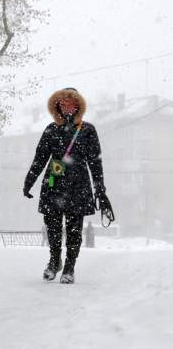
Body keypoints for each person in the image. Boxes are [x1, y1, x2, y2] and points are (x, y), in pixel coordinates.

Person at [23, 88, 111, 284]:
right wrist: (29, 182)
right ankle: (55, 261)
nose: (66, 106)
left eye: (70, 103)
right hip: (53, 184)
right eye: (62, 103)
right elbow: (39, 159)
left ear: (78, 105)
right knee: (52, 226)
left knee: (74, 229)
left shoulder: (88, 130)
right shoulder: (50, 130)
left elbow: (95, 162)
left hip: (78, 186)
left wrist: (100, 189)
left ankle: (70, 266)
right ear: (57, 106)